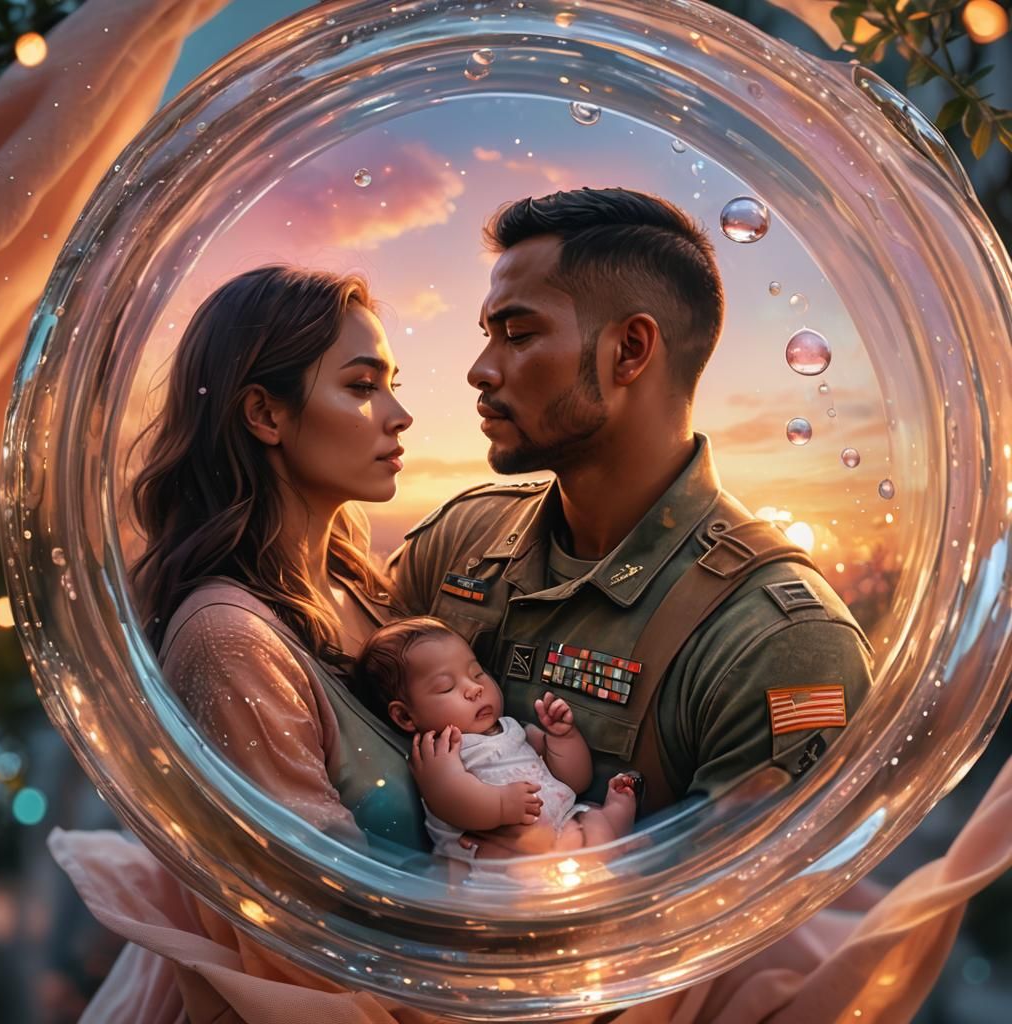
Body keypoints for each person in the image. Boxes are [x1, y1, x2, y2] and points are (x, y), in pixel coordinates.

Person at [387, 187, 874, 823]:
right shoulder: (461, 537)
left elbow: (740, 907)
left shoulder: (777, 641)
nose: (481, 369)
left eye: (519, 333)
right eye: (488, 335)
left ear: (631, 350)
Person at [49, 264, 455, 1023]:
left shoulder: (361, 591)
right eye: (363, 386)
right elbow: (315, 940)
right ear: (265, 414)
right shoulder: (229, 640)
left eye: (390, 383)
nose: (398, 414)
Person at [355, 616, 641, 868]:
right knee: (511, 869)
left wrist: (563, 737)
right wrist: (502, 805)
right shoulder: (440, 752)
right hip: (499, 853)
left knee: (592, 818)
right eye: (447, 687)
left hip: (563, 822)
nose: (475, 688)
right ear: (405, 716)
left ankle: (614, 822)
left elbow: (574, 780)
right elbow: (452, 799)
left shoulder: (512, 728)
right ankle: (607, 854)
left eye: (477, 673)